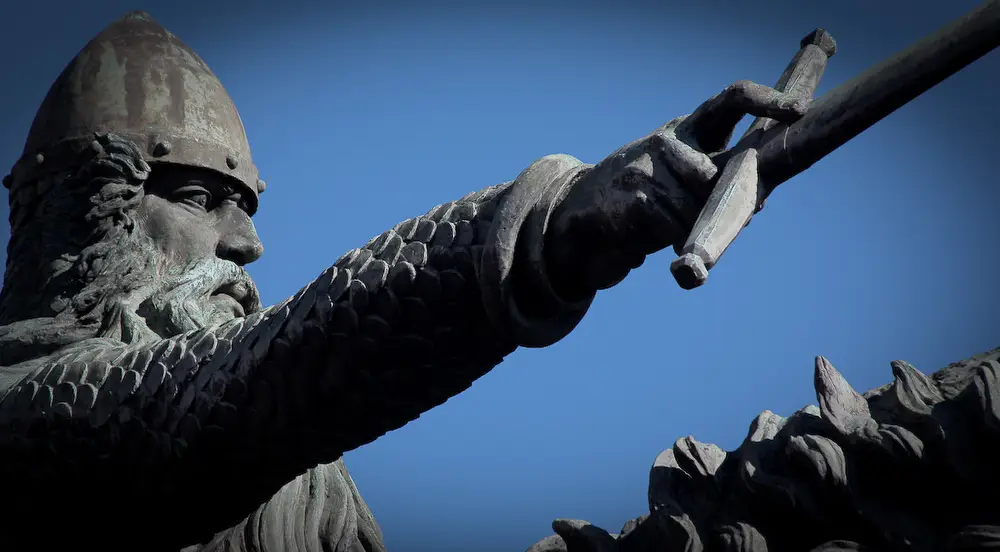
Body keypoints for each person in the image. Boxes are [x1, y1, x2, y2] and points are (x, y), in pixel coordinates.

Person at [0, 11, 807, 551]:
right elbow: (241, 385)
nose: (245, 245)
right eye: (196, 198)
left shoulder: (312, 485)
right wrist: (554, 228)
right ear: (81, 222)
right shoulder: (25, 412)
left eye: (244, 207)